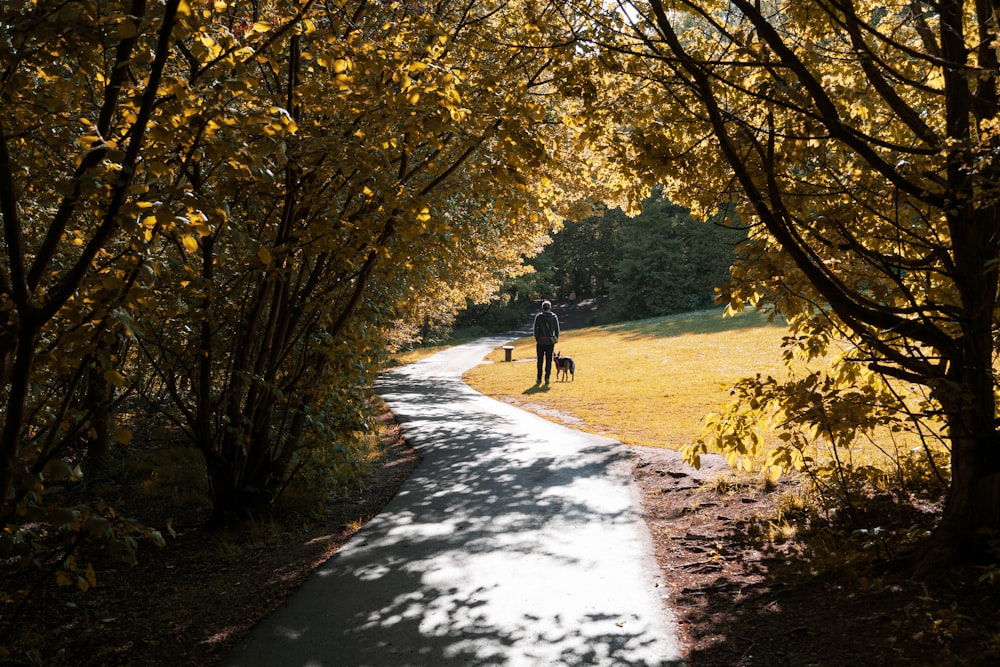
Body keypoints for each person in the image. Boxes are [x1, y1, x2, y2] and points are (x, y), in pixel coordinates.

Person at [533, 300, 560, 384]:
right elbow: (557, 330)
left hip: (541, 341)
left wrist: (537, 339)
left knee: (540, 361)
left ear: (542, 308)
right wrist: (555, 339)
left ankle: (539, 378)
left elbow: (535, 330)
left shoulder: (538, 317)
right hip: (550, 341)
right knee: (549, 361)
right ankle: (547, 377)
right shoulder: (554, 317)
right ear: (550, 308)